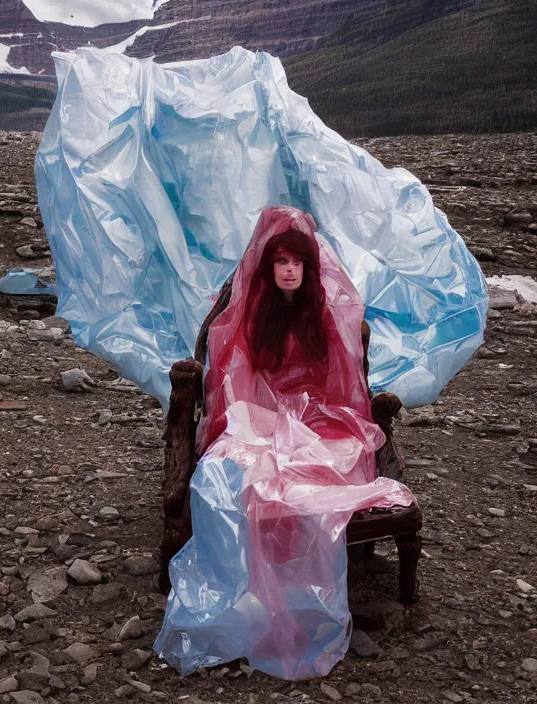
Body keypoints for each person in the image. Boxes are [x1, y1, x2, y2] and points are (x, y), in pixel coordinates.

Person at [155, 206, 415, 680]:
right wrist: (267, 423)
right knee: (229, 472)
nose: (290, 270)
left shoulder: (326, 314)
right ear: (270, 268)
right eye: (281, 263)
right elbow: (240, 382)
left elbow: (341, 386)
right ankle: (242, 602)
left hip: (323, 421)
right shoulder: (253, 315)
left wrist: (310, 420)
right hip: (264, 417)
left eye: (297, 263)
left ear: (308, 269)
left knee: (311, 474)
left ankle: (294, 601)